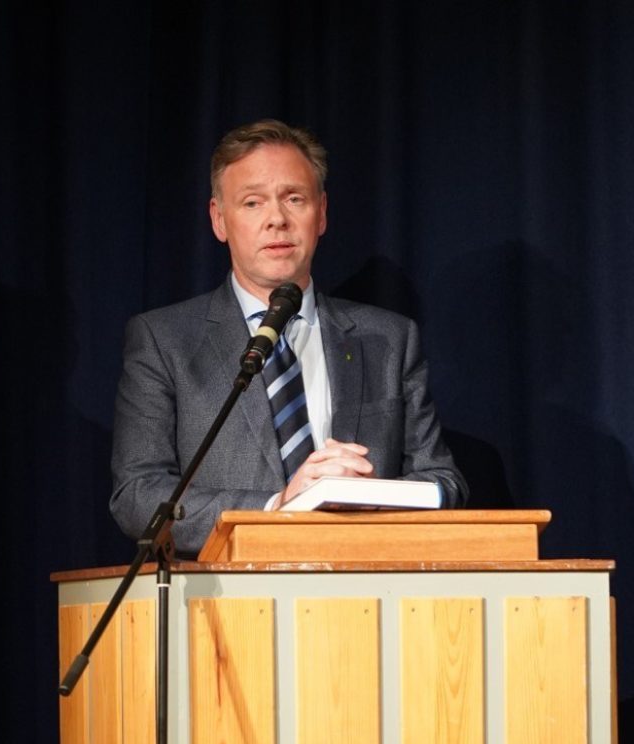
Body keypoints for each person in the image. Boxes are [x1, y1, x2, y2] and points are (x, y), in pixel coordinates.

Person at [110, 119, 468, 556]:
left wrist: (375, 498)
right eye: (253, 202)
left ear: (322, 213)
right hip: (230, 591)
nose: (277, 219)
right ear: (219, 220)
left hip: (364, 582)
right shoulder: (163, 341)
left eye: (294, 198)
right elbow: (138, 495)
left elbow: (444, 482)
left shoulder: (390, 338)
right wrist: (277, 507)